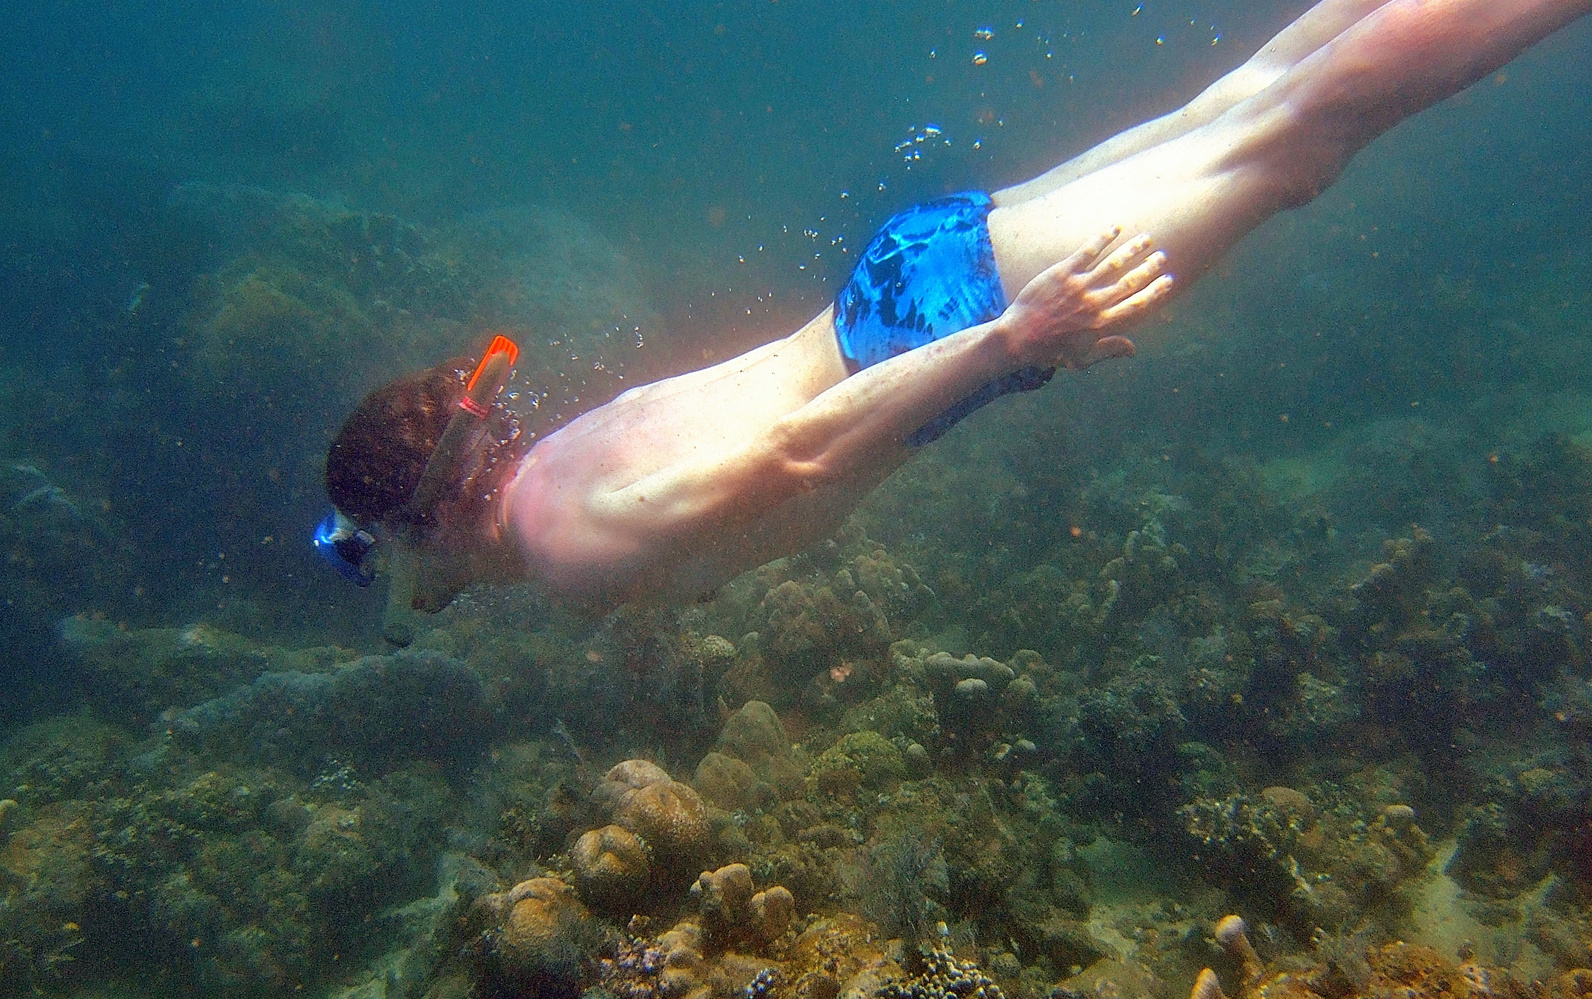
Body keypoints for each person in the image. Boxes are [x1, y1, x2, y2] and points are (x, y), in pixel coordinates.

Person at [320, 0, 1592, 623]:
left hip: (935, 324)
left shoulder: (568, 553)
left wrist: (1006, 339)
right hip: (890, 287)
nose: (377, 579)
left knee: (1295, 137)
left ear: (430, 513)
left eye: (369, 550)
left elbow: (792, 452)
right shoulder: (539, 463)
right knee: (1245, 105)